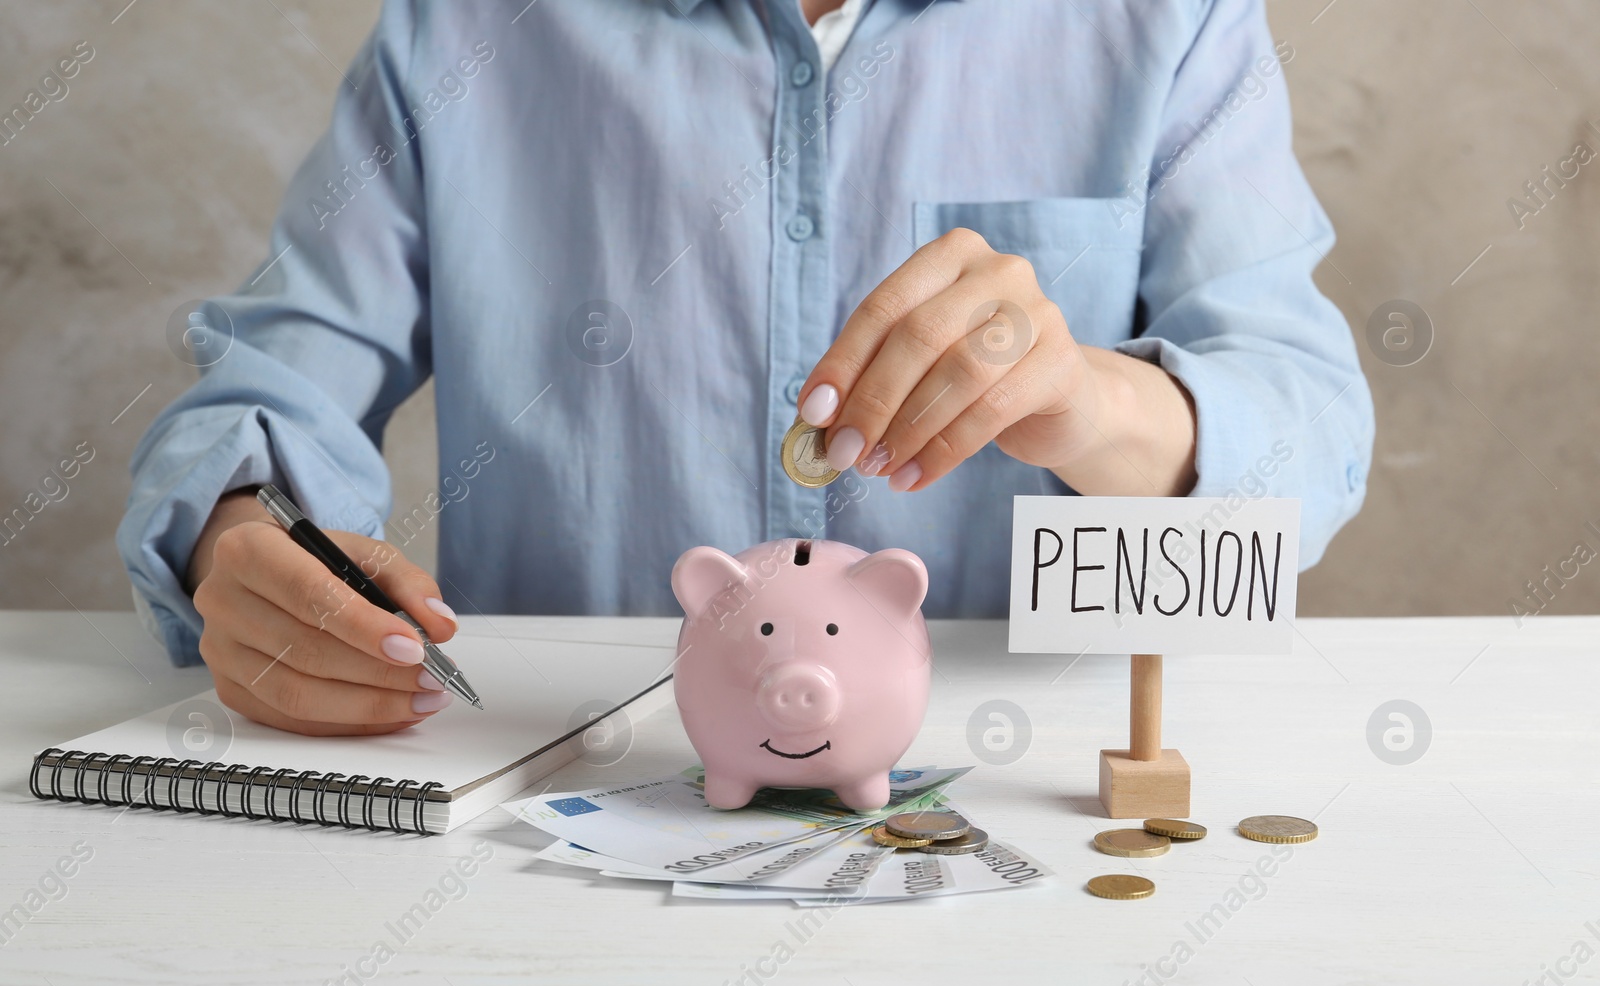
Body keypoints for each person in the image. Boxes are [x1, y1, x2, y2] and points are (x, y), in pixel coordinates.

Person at [119, 0, 1373, 736]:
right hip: (561, 784)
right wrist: (238, 536)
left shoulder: (1165, 17)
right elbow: (282, 373)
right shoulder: (466, 27)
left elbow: (1306, 434)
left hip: (1026, 774)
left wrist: (1090, 398)